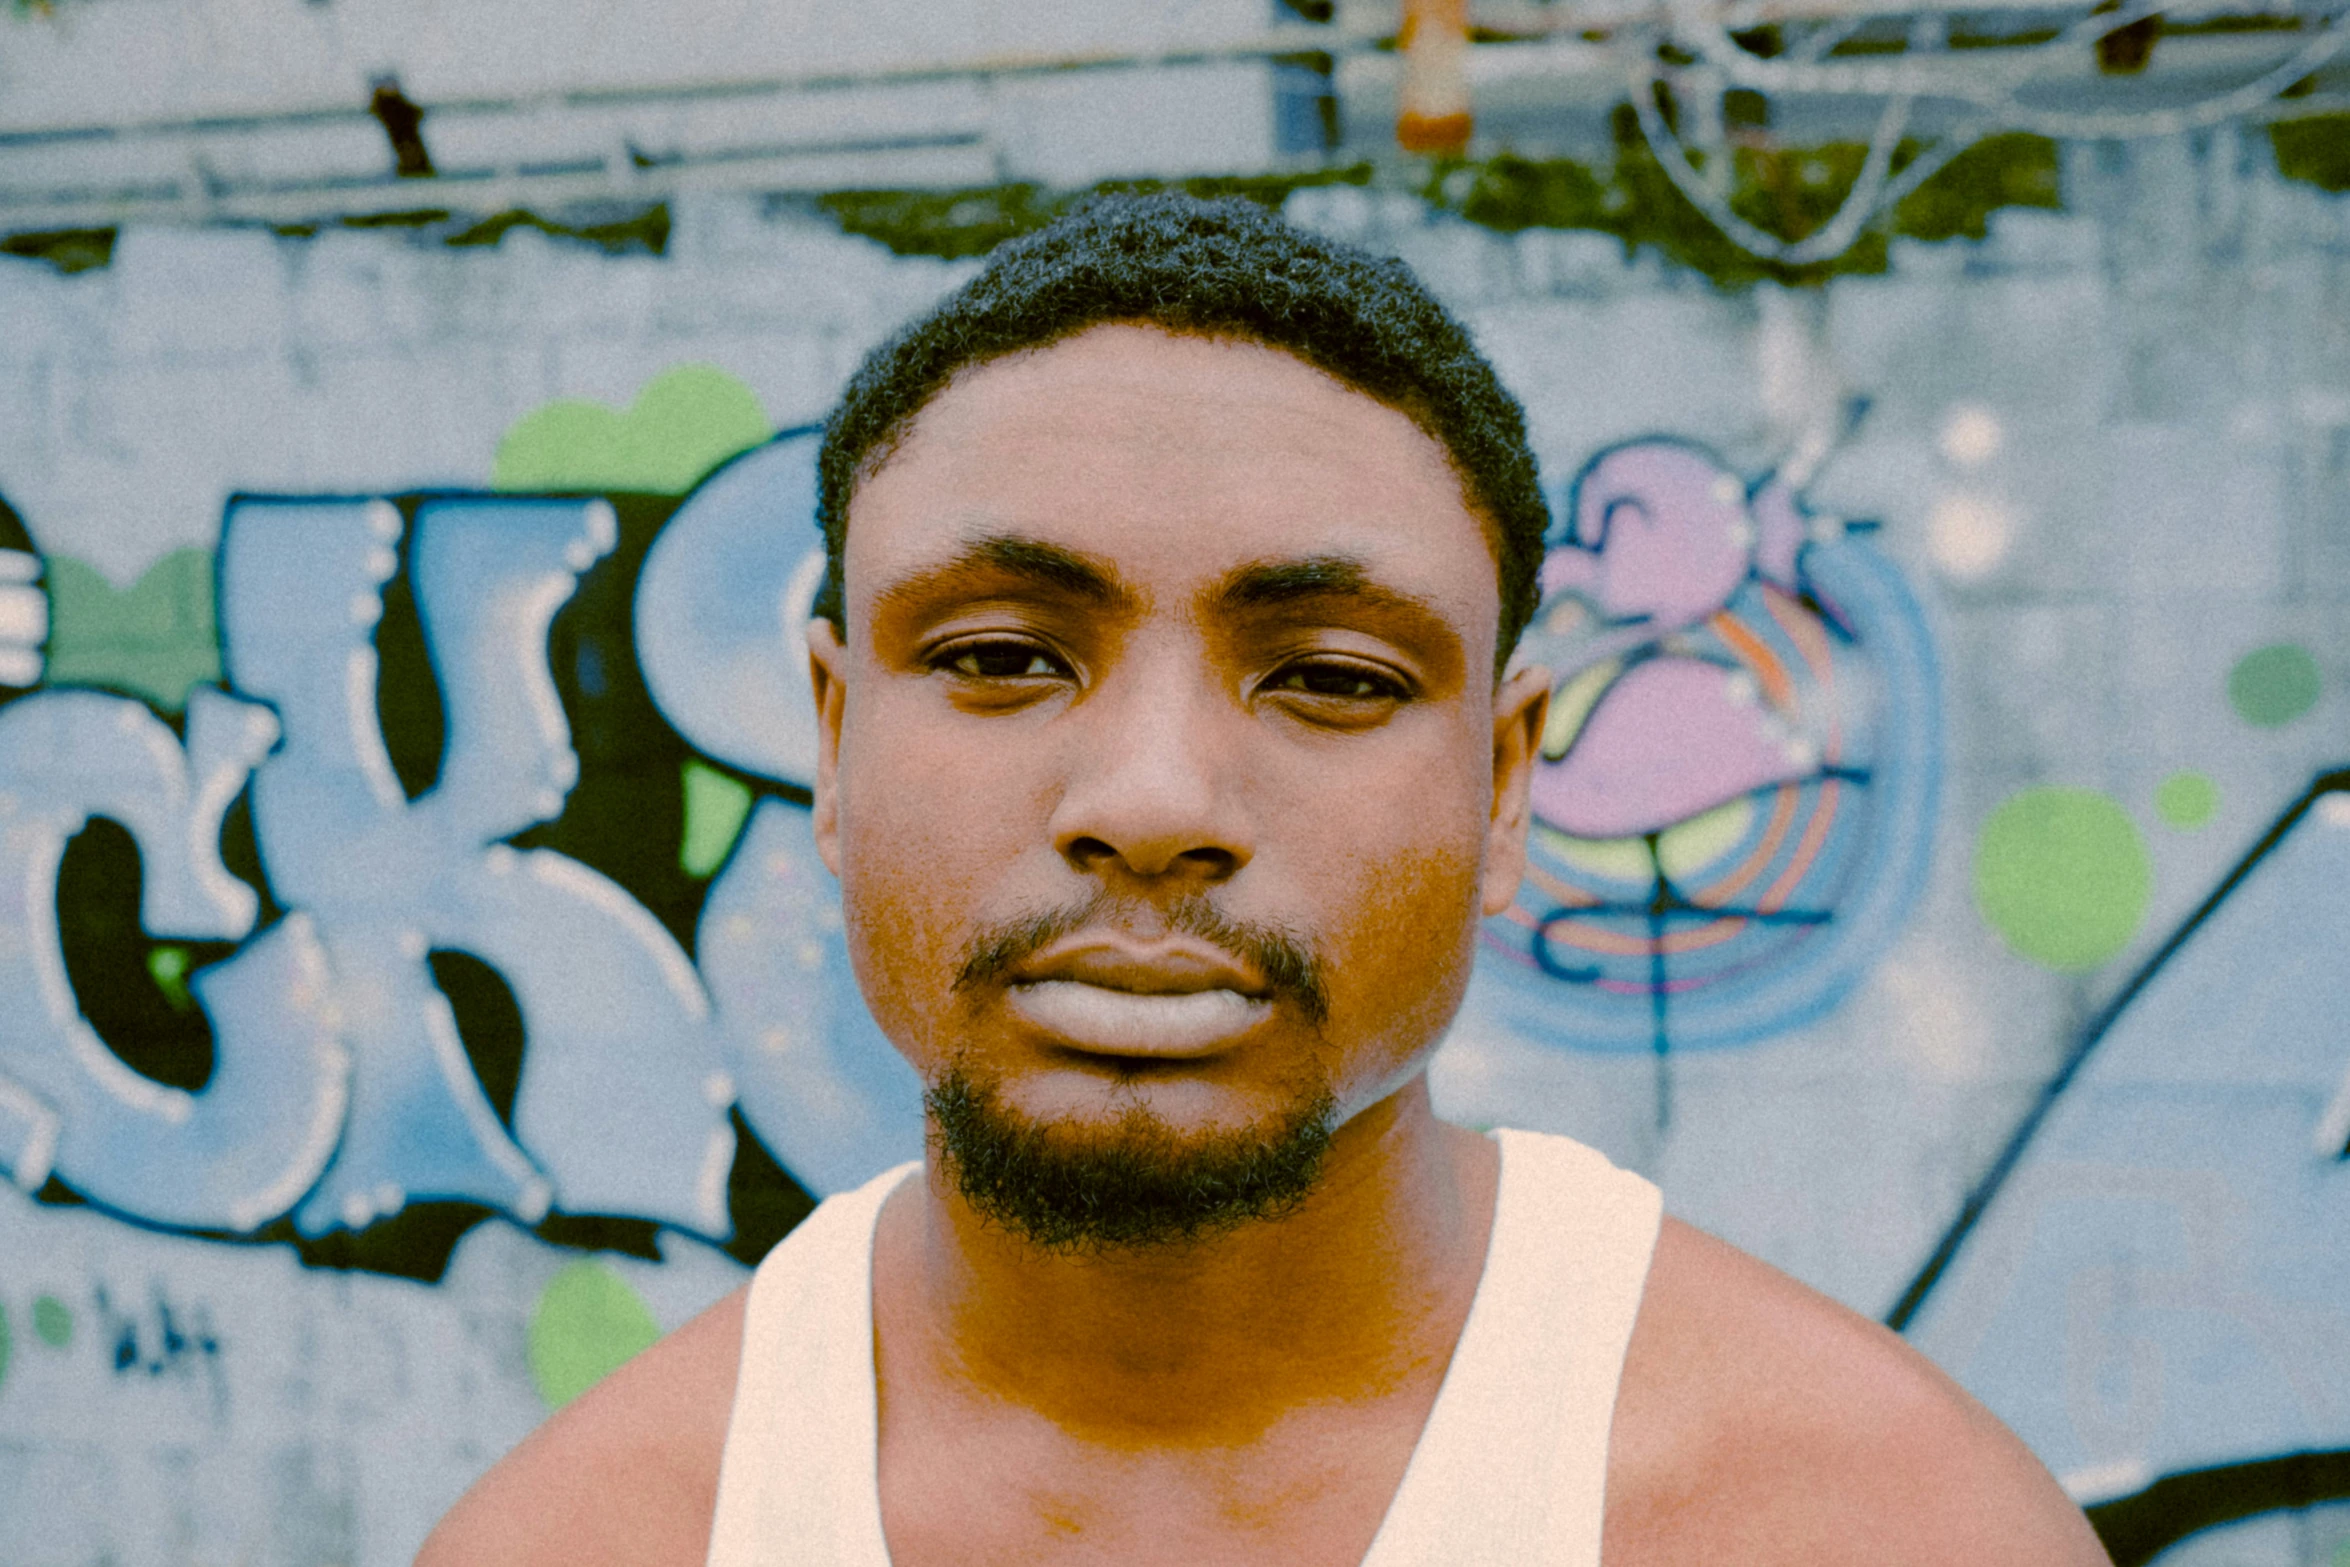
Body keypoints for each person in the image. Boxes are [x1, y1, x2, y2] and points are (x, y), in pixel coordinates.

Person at [419, 194, 2110, 1567]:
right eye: (1005, 653)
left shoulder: (1871, 1522)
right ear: (831, 742)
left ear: (1505, 784)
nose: (1150, 802)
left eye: (1330, 676)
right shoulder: (589, 1535)